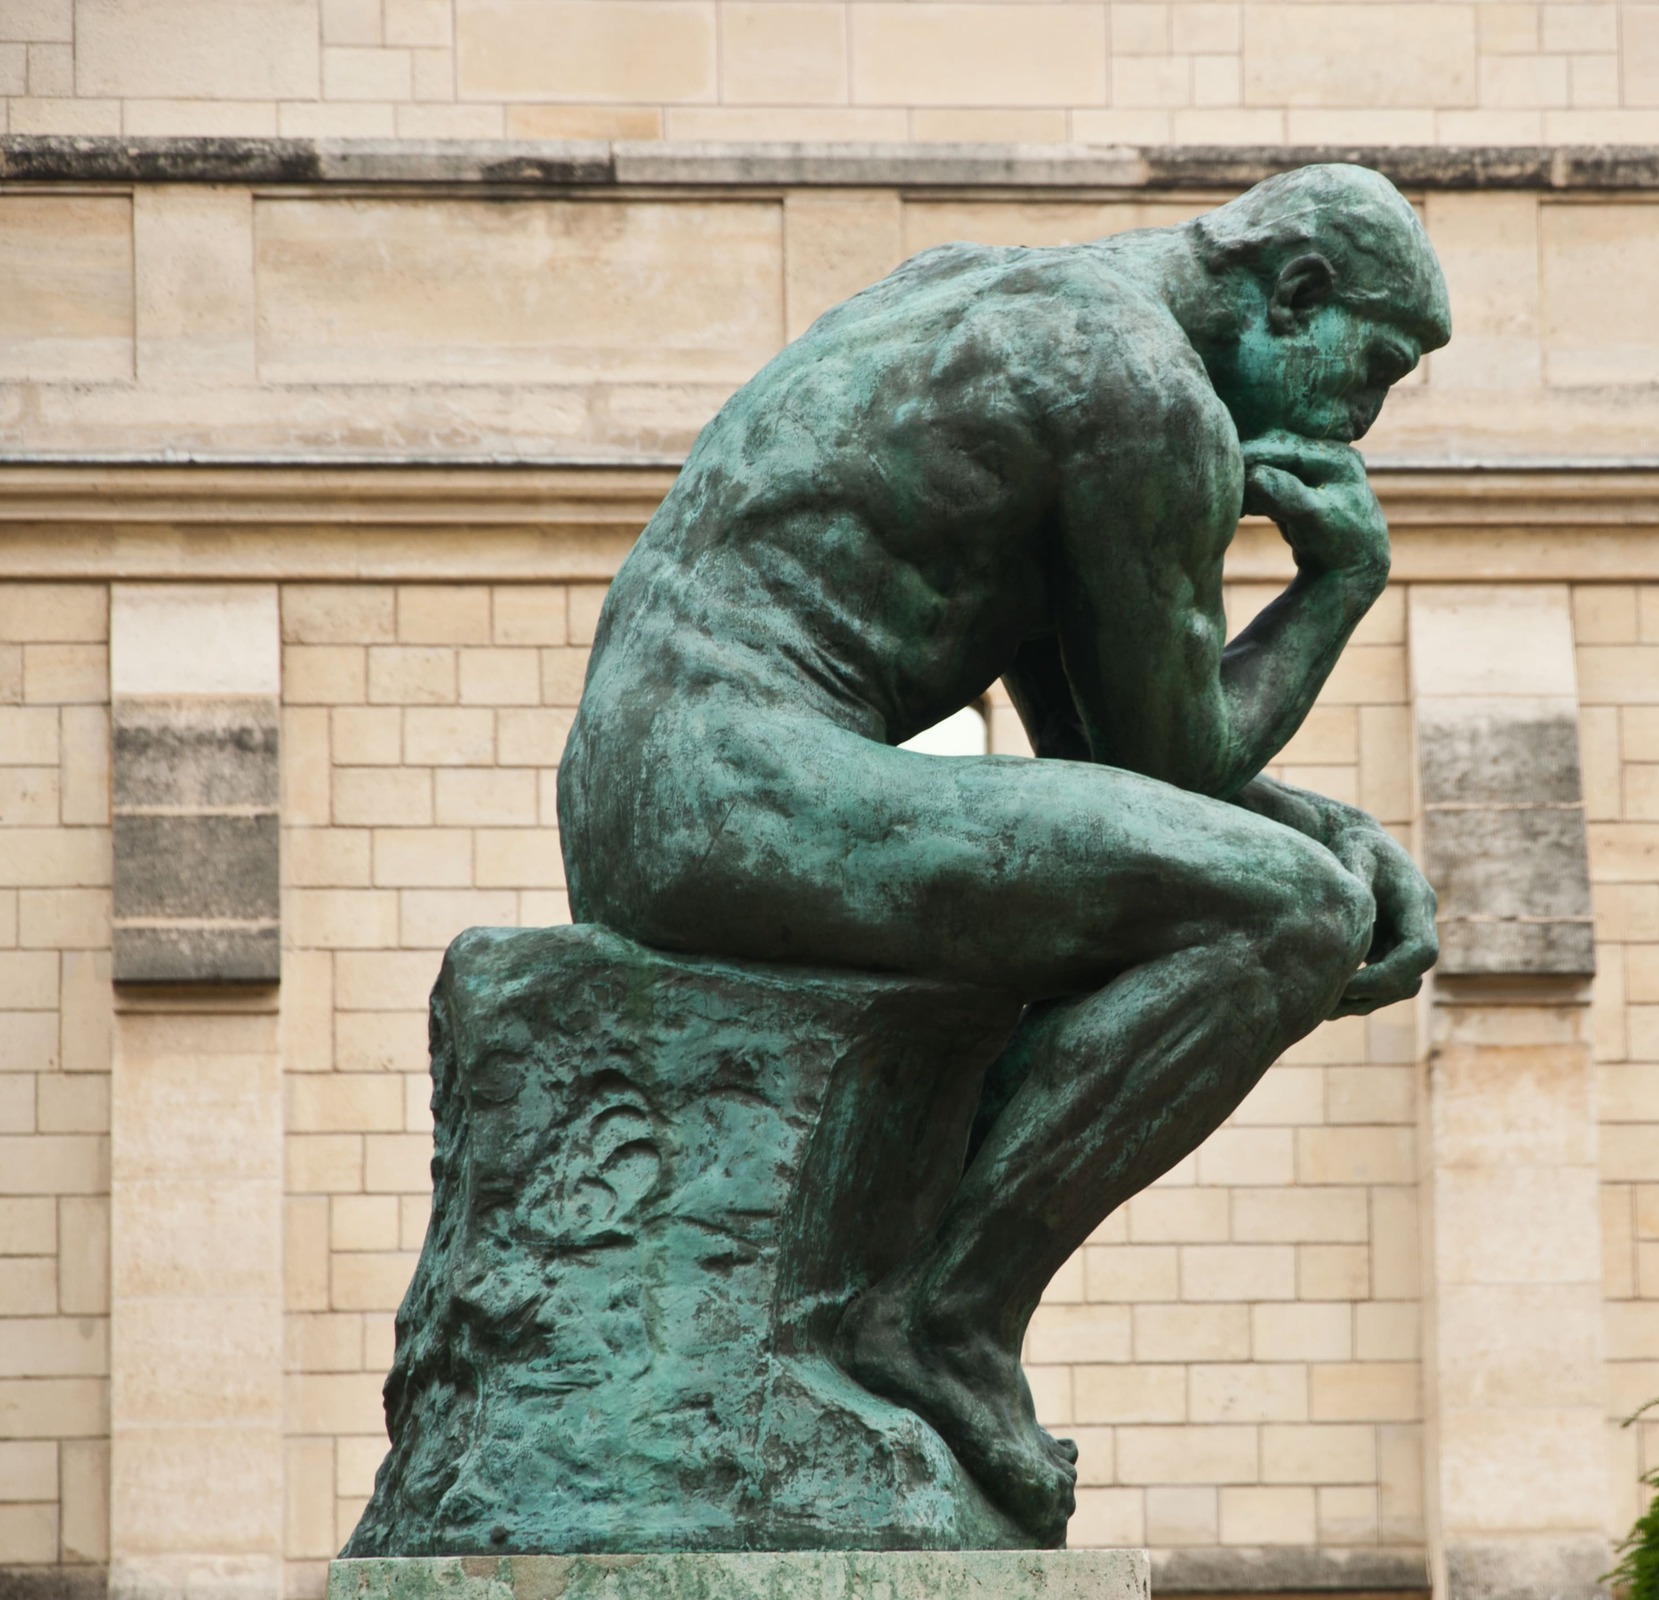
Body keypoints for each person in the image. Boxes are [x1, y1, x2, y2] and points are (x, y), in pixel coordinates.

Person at [556, 163, 1450, 1544]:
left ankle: (924, 1307)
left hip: (656, 778)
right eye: (1374, 367)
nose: (1364, 416)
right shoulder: (1142, 391)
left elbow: (1102, 752)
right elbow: (1178, 763)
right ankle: (946, 1320)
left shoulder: (996, 296)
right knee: (1284, 920)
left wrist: (1317, 815)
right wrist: (1338, 587)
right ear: (1298, 291)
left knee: (1292, 872)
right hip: (732, 783)